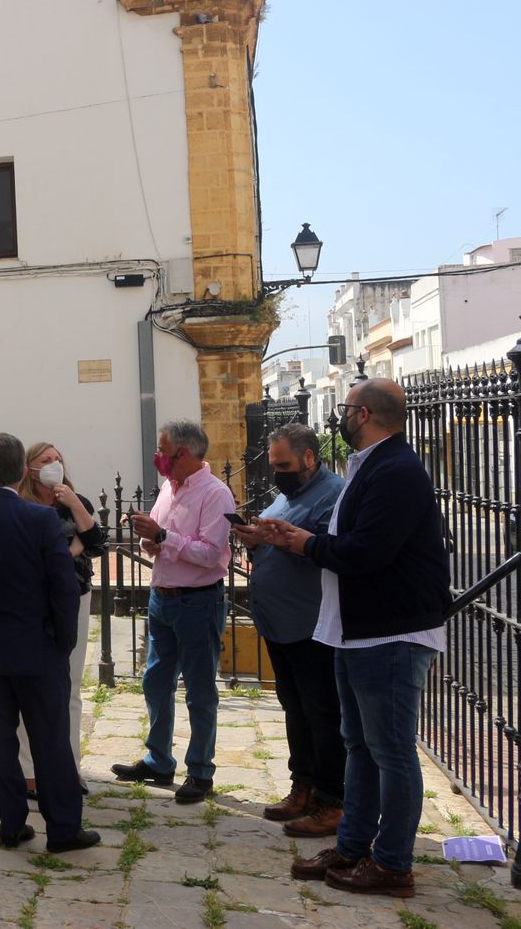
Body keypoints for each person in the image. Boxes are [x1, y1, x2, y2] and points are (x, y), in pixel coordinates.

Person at [269, 380, 451, 898]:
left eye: (346, 409)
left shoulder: (396, 471)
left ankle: (393, 864)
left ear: (363, 413)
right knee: (360, 746)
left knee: (391, 750)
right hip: (356, 631)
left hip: (389, 633)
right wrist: (301, 540)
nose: (341, 417)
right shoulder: (371, 465)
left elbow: (368, 551)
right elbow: (351, 542)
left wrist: (307, 544)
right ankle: (352, 846)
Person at [0, 433, 98, 853]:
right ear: (19, 471)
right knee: (51, 740)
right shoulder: (39, 520)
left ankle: (11, 823)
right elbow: (63, 588)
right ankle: (62, 828)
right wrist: (63, 642)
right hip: (39, 647)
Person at [228, 424, 346, 838]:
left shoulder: (333, 495)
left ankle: (331, 801)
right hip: (280, 624)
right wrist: (257, 539)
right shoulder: (287, 495)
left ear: (309, 458)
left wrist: (283, 541)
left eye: (283, 465)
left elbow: (334, 552)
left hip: (311, 625)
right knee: (296, 710)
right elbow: (279, 538)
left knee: (322, 715)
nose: (277, 472)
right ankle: (304, 787)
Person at [111, 420, 236, 805]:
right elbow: (167, 542)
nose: (158, 457)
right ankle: (159, 759)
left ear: (183, 453)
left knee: (199, 690)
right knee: (155, 681)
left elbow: (211, 555)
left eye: (162, 450)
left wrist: (163, 537)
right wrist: (152, 539)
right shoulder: (170, 487)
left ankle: (200, 771)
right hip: (162, 597)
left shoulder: (215, 494)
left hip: (197, 600)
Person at [16, 441, 106, 802]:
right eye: (45, 460)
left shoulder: (75, 499)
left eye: (57, 459)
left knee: (70, 684)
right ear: (29, 468)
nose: (53, 465)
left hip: (74, 596)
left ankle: (71, 765)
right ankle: (30, 771)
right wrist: (71, 548)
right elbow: (35, 553)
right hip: (35, 601)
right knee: (30, 685)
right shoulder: (23, 505)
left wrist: (73, 506)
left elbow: (97, 542)